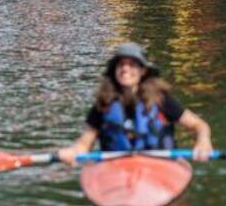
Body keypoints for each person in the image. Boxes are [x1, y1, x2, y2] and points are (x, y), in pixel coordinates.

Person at [58, 43, 213, 164]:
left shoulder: (161, 99)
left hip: (159, 165)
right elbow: (85, 143)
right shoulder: (104, 104)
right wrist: (74, 151)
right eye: (121, 64)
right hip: (116, 168)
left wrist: (203, 141)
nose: (125, 69)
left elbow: (199, 125)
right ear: (115, 70)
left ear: (142, 71)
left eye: (132, 64)